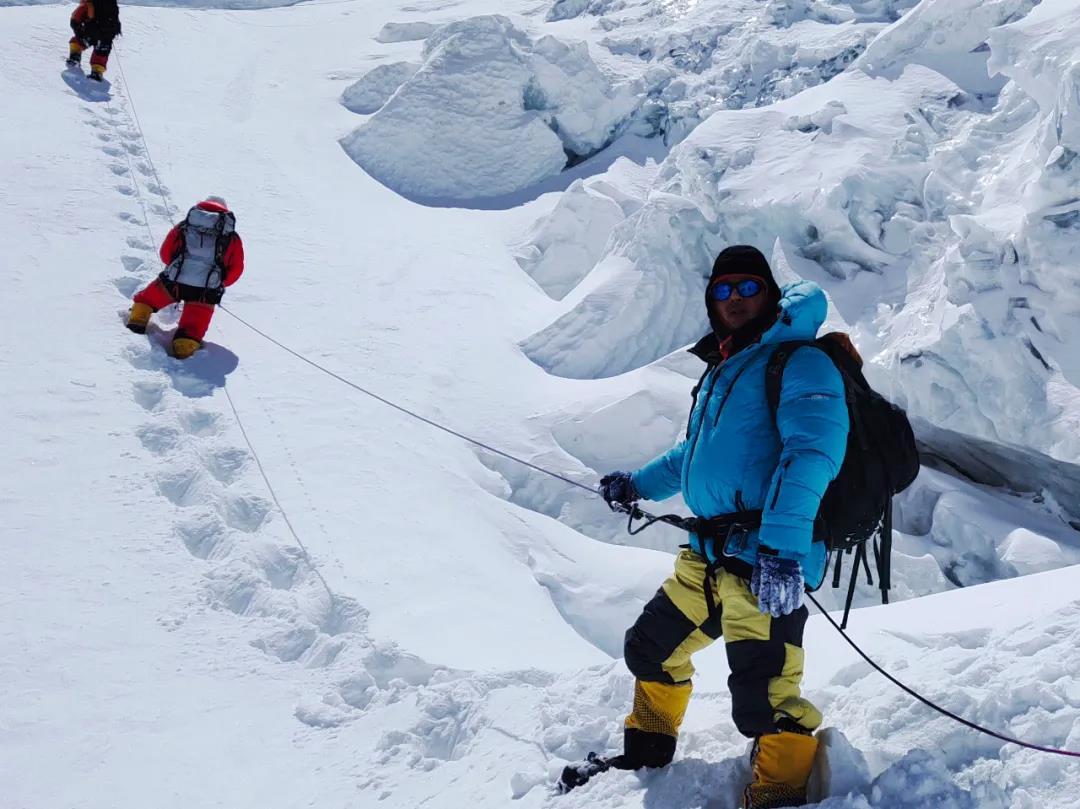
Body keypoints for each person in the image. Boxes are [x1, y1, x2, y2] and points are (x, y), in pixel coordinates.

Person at [596, 245, 850, 808]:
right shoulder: (729, 365)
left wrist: (781, 551)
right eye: (723, 290)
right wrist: (637, 485)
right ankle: (647, 752)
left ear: (770, 294)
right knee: (650, 650)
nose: (734, 299)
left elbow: (811, 455)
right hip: (709, 556)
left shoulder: (799, 362)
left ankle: (778, 793)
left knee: (767, 695)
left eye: (747, 287)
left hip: (764, 559)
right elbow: (694, 455)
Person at [125, 197, 244, 359]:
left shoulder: (184, 226)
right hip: (205, 291)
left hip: (174, 281)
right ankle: (185, 345)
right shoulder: (231, 237)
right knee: (195, 322)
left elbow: (166, 253)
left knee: (149, 299)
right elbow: (236, 269)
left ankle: (138, 318)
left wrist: (175, 269)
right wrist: (219, 283)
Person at [66, 0, 122, 82]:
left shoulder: (89, 2)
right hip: (107, 35)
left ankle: (75, 57)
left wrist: (77, 29)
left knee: (79, 40)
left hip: (91, 32)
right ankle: (97, 72)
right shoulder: (111, 3)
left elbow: (75, 18)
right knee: (102, 51)